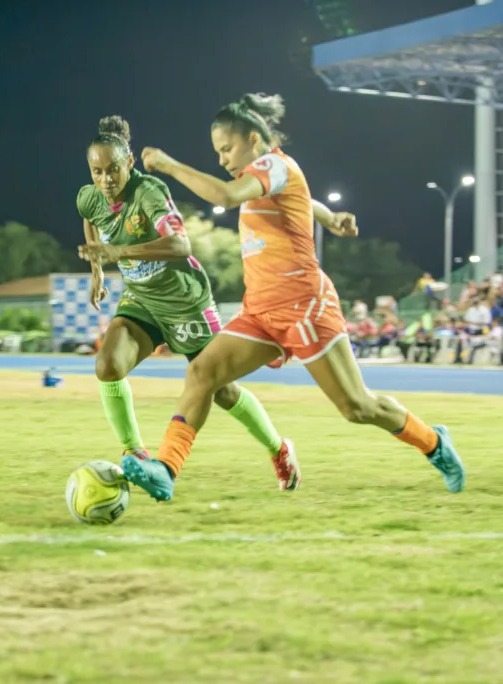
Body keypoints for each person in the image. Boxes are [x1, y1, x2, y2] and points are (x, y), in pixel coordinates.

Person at [125, 92, 464, 502]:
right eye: (217, 152)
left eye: (226, 148)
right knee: (202, 374)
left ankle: (433, 442)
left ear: (253, 139)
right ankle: (165, 469)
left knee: (356, 407)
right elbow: (299, 197)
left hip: (305, 305)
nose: (222, 159)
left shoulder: (273, 164)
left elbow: (226, 197)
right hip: (261, 312)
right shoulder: (270, 175)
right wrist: (328, 216)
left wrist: (167, 164)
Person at [76, 115, 352, 490]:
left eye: (112, 170)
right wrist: (96, 270)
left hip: (185, 301)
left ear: (129, 164)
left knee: (221, 391)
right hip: (141, 300)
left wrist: (117, 251)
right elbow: (89, 218)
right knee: (107, 365)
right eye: (96, 172)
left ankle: (278, 448)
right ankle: (136, 452)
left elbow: (180, 246)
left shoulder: (150, 192)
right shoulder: (89, 196)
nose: (105, 180)